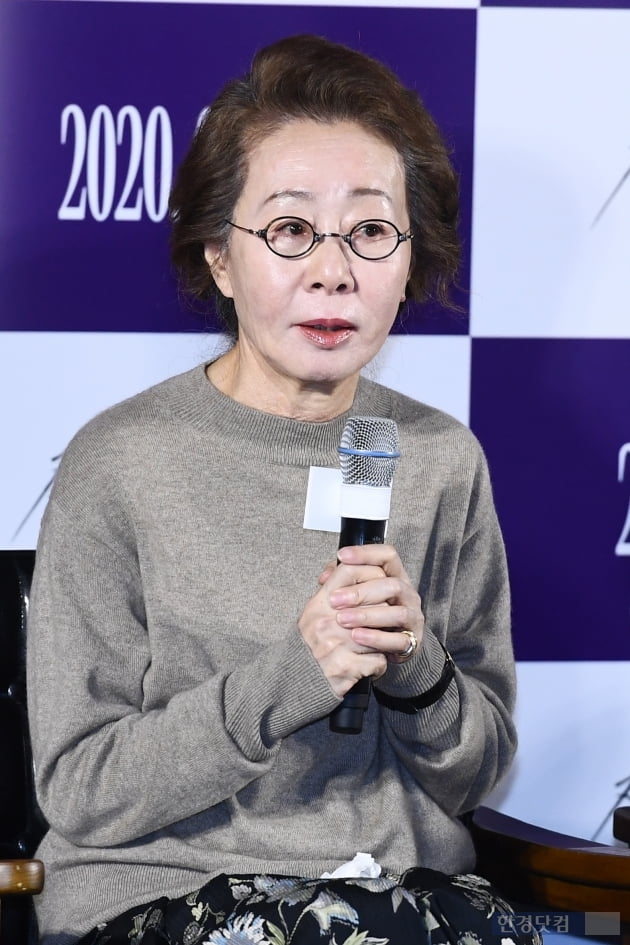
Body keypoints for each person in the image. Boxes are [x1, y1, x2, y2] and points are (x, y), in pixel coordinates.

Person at [27, 34, 533, 945]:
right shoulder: (121, 461)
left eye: (372, 231)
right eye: (292, 230)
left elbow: (475, 772)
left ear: (409, 260)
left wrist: (416, 668)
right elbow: (81, 786)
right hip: (170, 899)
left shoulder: (440, 458)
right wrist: (294, 676)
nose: (333, 270)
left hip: (402, 899)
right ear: (221, 257)